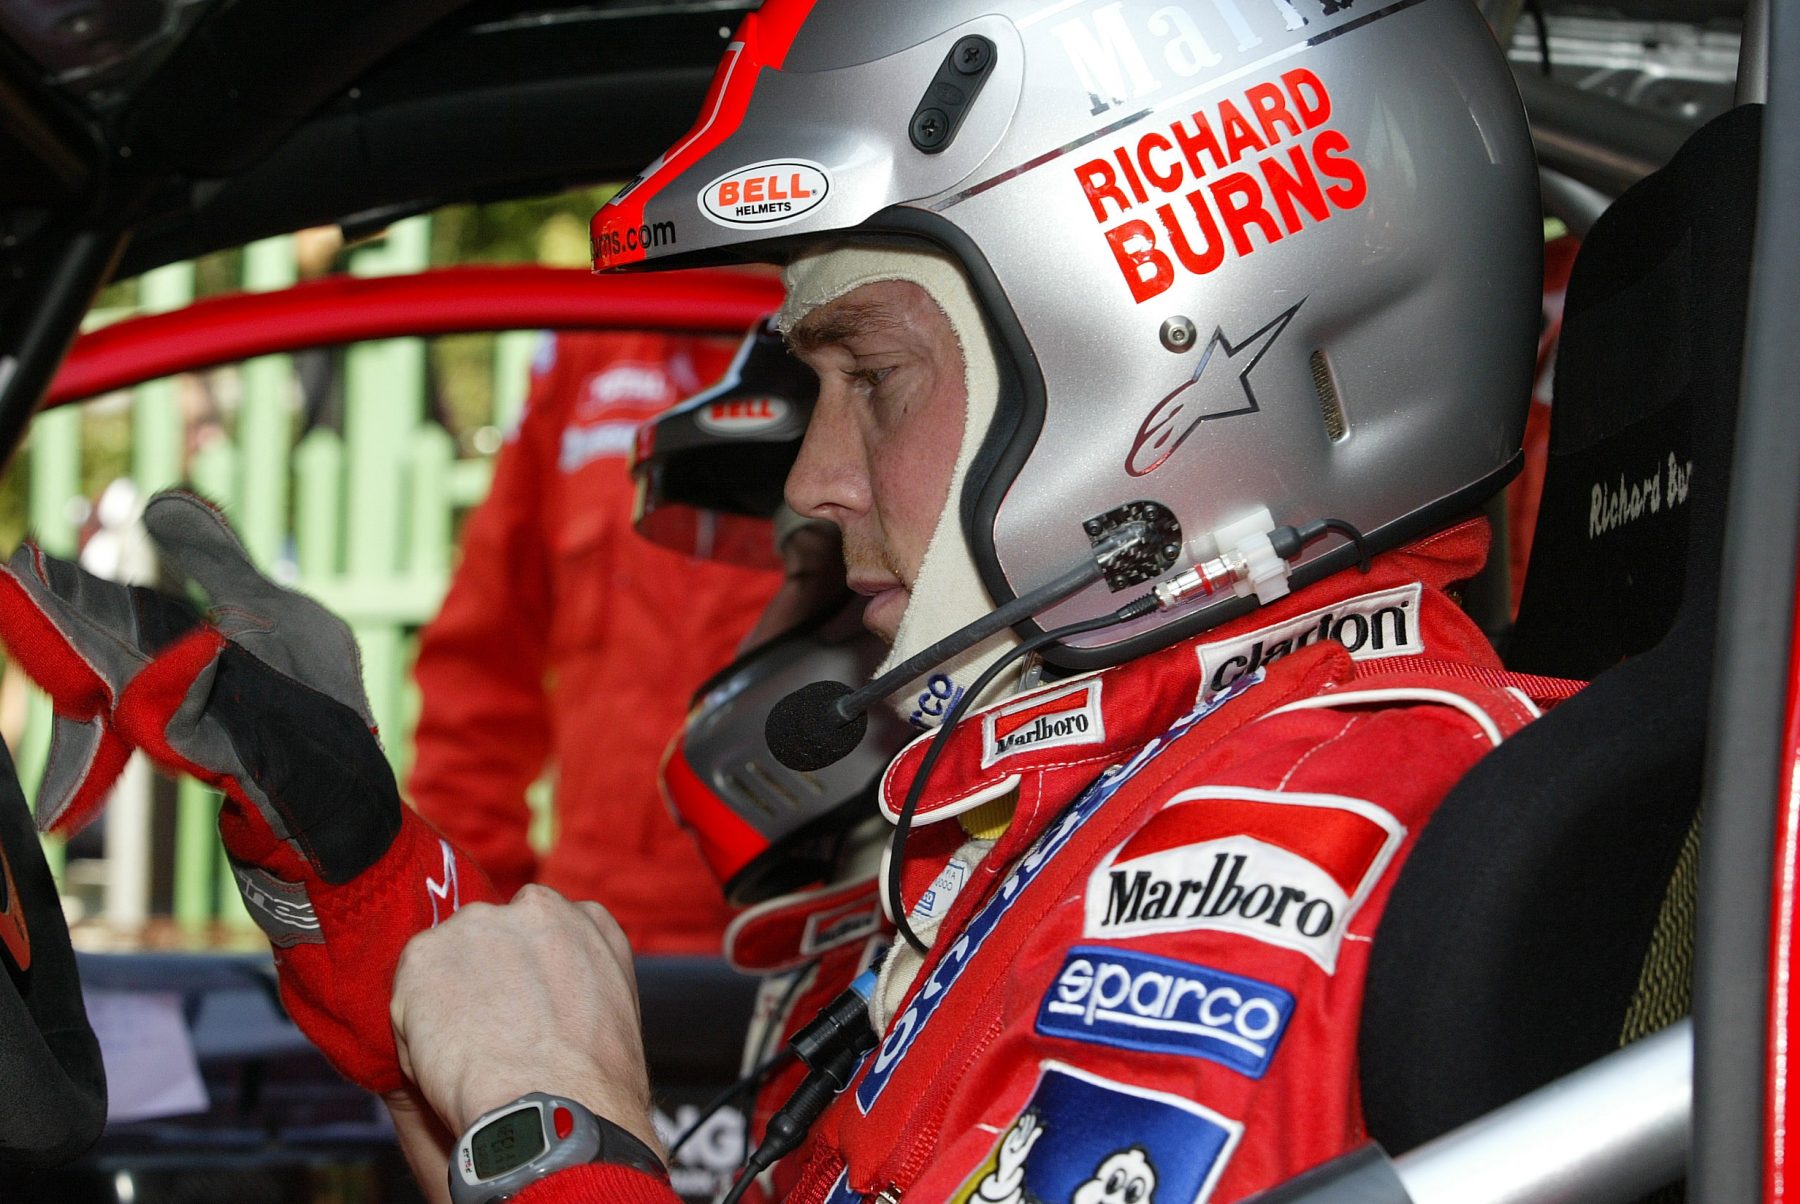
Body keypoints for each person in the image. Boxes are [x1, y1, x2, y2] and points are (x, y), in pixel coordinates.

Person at [3, 2, 1557, 1201]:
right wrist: (362, 883)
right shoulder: (1092, 807)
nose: (813, 484)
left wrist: (563, 1121)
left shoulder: (1285, 850)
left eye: (872, 377)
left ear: (1160, 344)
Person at [407, 327, 782, 952]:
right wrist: (479, 914)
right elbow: (481, 665)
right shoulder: (588, 350)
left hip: (821, 943)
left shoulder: (865, 344)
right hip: (596, 938)